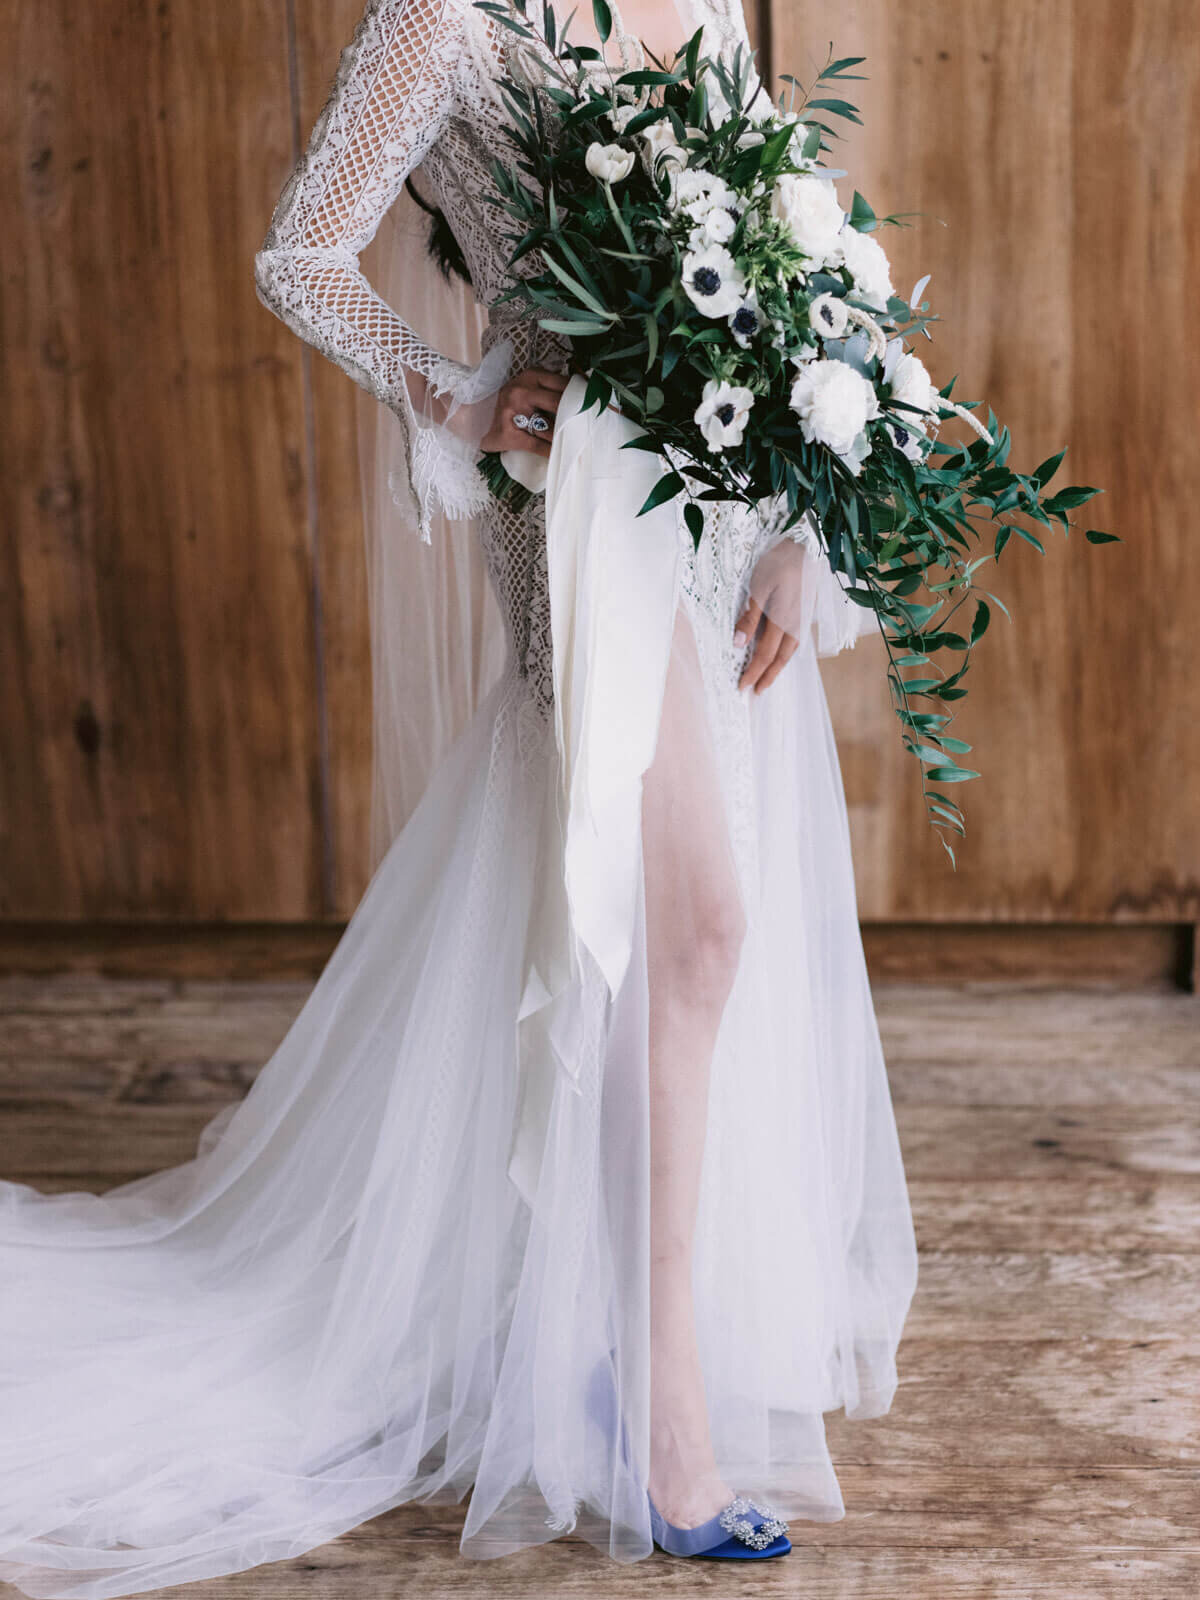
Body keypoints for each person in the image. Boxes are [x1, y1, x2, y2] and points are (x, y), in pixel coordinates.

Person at [0, 0, 917, 1590]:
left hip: (718, 486)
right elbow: (302, 255)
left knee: (675, 923)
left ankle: (604, 1316)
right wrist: (451, 393)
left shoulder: (694, 1)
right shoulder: (440, 20)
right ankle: (661, 1400)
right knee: (697, 919)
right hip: (572, 499)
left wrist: (805, 520)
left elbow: (784, 270)